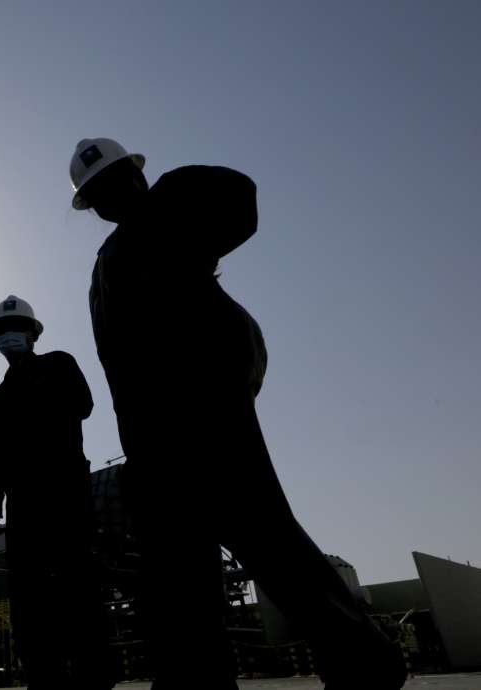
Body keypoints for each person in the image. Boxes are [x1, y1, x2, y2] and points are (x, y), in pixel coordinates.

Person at [69, 137, 406, 689]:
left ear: (137, 177)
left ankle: (365, 661)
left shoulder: (168, 227)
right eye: (101, 193)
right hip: (153, 438)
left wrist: (165, 195)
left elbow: (237, 197)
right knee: (177, 567)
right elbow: (120, 365)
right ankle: (193, 679)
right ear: (95, 207)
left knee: (267, 539)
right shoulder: (107, 267)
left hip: (211, 419)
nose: (114, 198)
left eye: (121, 181)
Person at [0, 295, 114, 689]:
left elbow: (82, 406)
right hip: (23, 500)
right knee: (28, 592)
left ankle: (94, 674)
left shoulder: (59, 364)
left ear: (33, 334)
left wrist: (14, 439)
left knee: (77, 580)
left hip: (64, 489)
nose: (8, 336)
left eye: (16, 328)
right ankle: (42, 675)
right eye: (1, 330)